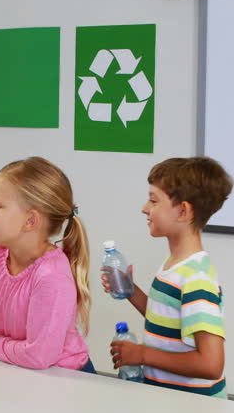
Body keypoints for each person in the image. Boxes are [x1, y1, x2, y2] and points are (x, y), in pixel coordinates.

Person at [102, 156, 233, 398]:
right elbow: (167, 320)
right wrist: (131, 291)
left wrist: (142, 355)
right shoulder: (175, 264)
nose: (144, 208)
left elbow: (211, 364)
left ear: (183, 211)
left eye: (153, 200)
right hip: (170, 398)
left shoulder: (197, 279)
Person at [0, 156, 95, 373]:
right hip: (21, 371)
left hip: (66, 377)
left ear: (30, 221)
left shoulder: (52, 276)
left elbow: (38, 356)